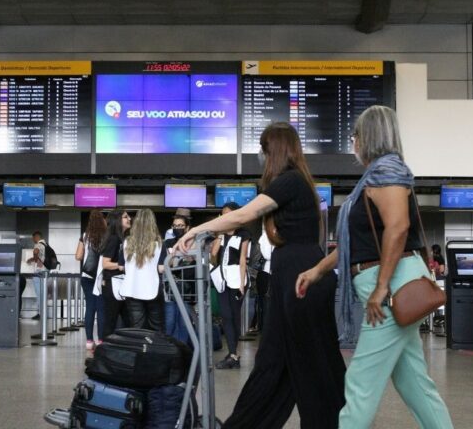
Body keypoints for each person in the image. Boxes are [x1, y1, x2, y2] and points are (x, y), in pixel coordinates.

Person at [177, 122, 345, 428]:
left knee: (310, 366)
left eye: (264, 149)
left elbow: (244, 215)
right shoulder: (297, 183)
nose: (260, 155)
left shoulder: (290, 181)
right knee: (279, 362)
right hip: (295, 275)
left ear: (275, 151)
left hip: (299, 277)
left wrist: (194, 230)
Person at [297, 106, 453, 429]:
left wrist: (381, 288)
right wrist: (318, 271)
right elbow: (355, 245)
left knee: (360, 382)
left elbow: (398, 227)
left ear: (369, 136)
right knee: (414, 382)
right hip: (393, 283)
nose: (353, 141)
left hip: (390, 288)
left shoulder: (388, 171)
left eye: (355, 135)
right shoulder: (377, 175)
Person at [210, 202, 251, 370]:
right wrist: (219, 234)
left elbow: (242, 259)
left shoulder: (244, 234)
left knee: (234, 316)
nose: (225, 216)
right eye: (223, 214)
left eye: (227, 213)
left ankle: (233, 354)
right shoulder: (221, 234)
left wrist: (241, 284)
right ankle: (233, 354)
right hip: (222, 278)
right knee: (225, 316)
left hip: (236, 278)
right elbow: (213, 254)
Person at [119, 209, 166, 331]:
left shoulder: (127, 242)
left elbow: (121, 267)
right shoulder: (159, 243)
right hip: (153, 289)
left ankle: (139, 344)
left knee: (137, 327)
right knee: (156, 327)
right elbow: (161, 269)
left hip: (131, 289)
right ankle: (154, 344)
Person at [75, 209, 107, 349]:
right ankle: (101, 340)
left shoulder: (85, 236)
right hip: (101, 276)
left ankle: (89, 341)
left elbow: (78, 256)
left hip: (87, 276)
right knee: (101, 308)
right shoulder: (107, 236)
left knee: (90, 307)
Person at [163, 213, 195, 344]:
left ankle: (182, 349)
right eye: (175, 226)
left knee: (184, 322)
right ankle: (170, 349)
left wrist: (177, 257)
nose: (178, 228)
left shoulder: (193, 242)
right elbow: (166, 263)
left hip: (188, 287)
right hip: (171, 286)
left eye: (181, 225)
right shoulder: (168, 243)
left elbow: (193, 260)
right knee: (169, 321)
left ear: (187, 228)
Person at [100, 210, 131, 337]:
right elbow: (105, 263)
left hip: (119, 284)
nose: (129, 219)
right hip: (113, 284)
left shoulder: (122, 238)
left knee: (127, 320)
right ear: (117, 220)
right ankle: (105, 346)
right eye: (125, 217)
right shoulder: (114, 239)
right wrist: (122, 265)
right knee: (111, 321)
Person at [252, 225, 273, 334]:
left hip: (268, 273)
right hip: (266, 273)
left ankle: (265, 328)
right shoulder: (265, 236)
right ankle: (265, 329)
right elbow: (267, 255)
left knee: (266, 303)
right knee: (265, 303)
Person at [27, 231, 47, 320]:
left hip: (39, 272)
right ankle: (43, 312)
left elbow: (36, 251)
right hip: (45, 272)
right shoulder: (45, 244)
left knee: (39, 293)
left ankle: (41, 313)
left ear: (36, 237)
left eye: (33, 238)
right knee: (43, 293)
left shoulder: (38, 244)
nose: (33, 240)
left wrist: (33, 258)